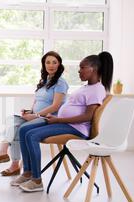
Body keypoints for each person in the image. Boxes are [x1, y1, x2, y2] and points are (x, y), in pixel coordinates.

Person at [11, 51, 113, 192]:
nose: (79, 71)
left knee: (32, 135)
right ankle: (28, 172)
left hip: (75, 128)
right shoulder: (87, 87)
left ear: (93, 69)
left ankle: (37, 180)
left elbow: (88, 117)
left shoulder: (96, 90)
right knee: (24, 130)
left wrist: (59, 119)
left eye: (82, 67)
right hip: (65, 123)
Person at [0, 51, 69, 176]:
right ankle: (11, 162)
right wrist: (30, 111)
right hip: (36, 115)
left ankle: (8, 158)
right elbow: (38, 101)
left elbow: (55, 106)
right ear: (44, 64)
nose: (51, 65)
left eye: (54, 62)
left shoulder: (61, 83)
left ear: (59, 64)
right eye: (48, 62)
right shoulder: (44, 80)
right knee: (11, 121)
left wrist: (35, 115)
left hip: (49, 118)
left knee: (18, 127)